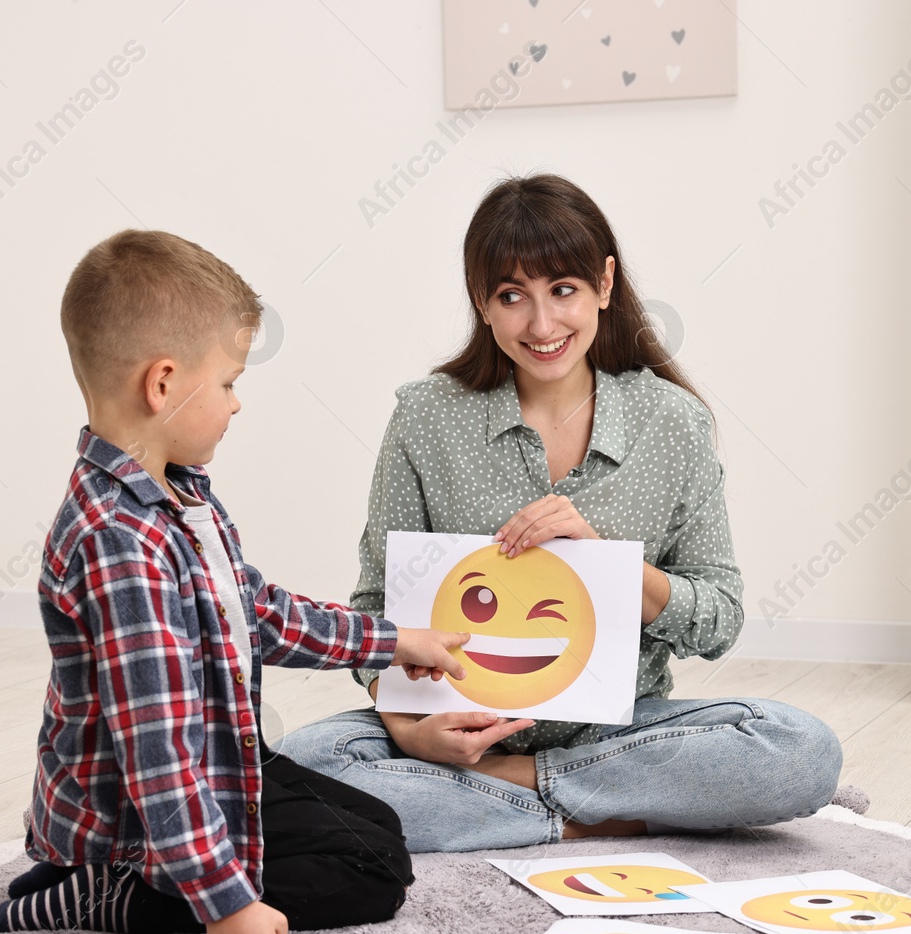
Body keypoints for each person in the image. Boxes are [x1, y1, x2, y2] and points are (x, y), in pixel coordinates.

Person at [279, 175, 844, 853]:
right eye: (512, 296)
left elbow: (719, 618)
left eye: (563, 290)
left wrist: (614, 569)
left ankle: (507, 793)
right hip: (451, 727)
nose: (542, 325)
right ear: (482, 304)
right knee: (302, 762)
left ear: (605, 284)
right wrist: (405, 726)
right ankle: (604, 819)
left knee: (802, 749)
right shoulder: (425, 415)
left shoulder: (672, 421)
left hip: (619, 731)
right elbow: (375, 606)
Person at [0, 230, 471, 934]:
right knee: (372, 872)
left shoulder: (178, 495)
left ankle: (86, 873)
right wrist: (227, 904)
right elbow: (157, 754)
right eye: (229, 382)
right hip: (138, 818)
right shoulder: (123, 543)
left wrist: (394, 640)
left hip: (219, 759)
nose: (237, 404)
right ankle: (110, 890)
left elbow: (259, 610)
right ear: (163, 383)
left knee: (379, 827)